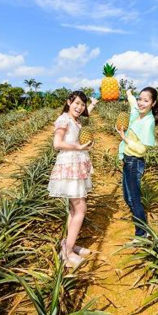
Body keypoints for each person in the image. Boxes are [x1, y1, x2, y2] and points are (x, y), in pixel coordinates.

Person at [48, 91, 98, 267]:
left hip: (77, 166)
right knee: (81, 210)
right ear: (69, 102)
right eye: (76, 103)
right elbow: (57, 143)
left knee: (73, 210)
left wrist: (92, 104)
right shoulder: (64, 119)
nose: (79, 107)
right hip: (70, 166)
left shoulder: (76, 120)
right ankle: (67, 253)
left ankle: (68, 244)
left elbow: (82, 116)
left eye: (82, 105)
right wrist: (78, 147)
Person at [116, 87, 158, 240]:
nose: (141, 103)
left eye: (146, 100)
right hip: (128, 160)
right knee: (127, 197)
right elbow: (132, 104)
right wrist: (129, 93)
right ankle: (142, 226)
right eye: (140, 99)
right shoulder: (137, 113)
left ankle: (142, 233)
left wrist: (125, 138)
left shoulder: (148, 122)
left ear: (153, 103)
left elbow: (142, 149)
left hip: (135, 162)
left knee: (134, 199)